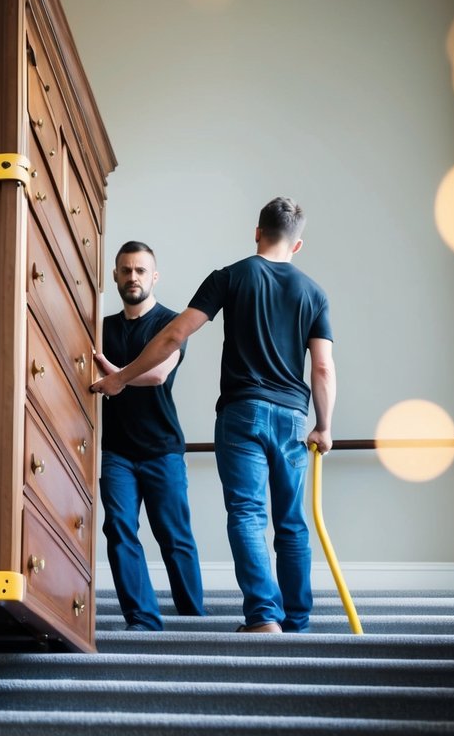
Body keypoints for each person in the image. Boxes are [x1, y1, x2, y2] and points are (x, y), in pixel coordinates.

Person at [91, 198, 335, 634]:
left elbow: (175, 333)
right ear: (298, 245)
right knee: (292, 523)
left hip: (241, 413)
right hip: (295, 417)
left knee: (247, 514)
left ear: (257, 232)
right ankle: (297, 620)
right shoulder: (314, 293)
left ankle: (263, 617)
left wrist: (120, 378)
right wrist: (325, 426)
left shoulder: (230, 276)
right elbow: (321, 367)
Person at [94, 241, 205, 631]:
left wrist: (117, 378)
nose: (132, 277)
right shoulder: (101, 327)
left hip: (162, 448)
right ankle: (142, 619)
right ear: (115, 276)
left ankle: (193, 620)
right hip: (116, 452)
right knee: (120, 530)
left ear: (153, 276)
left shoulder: (170, 323)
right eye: (125, 270)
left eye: (140, 270)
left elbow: (158, 374)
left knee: (174, 536)